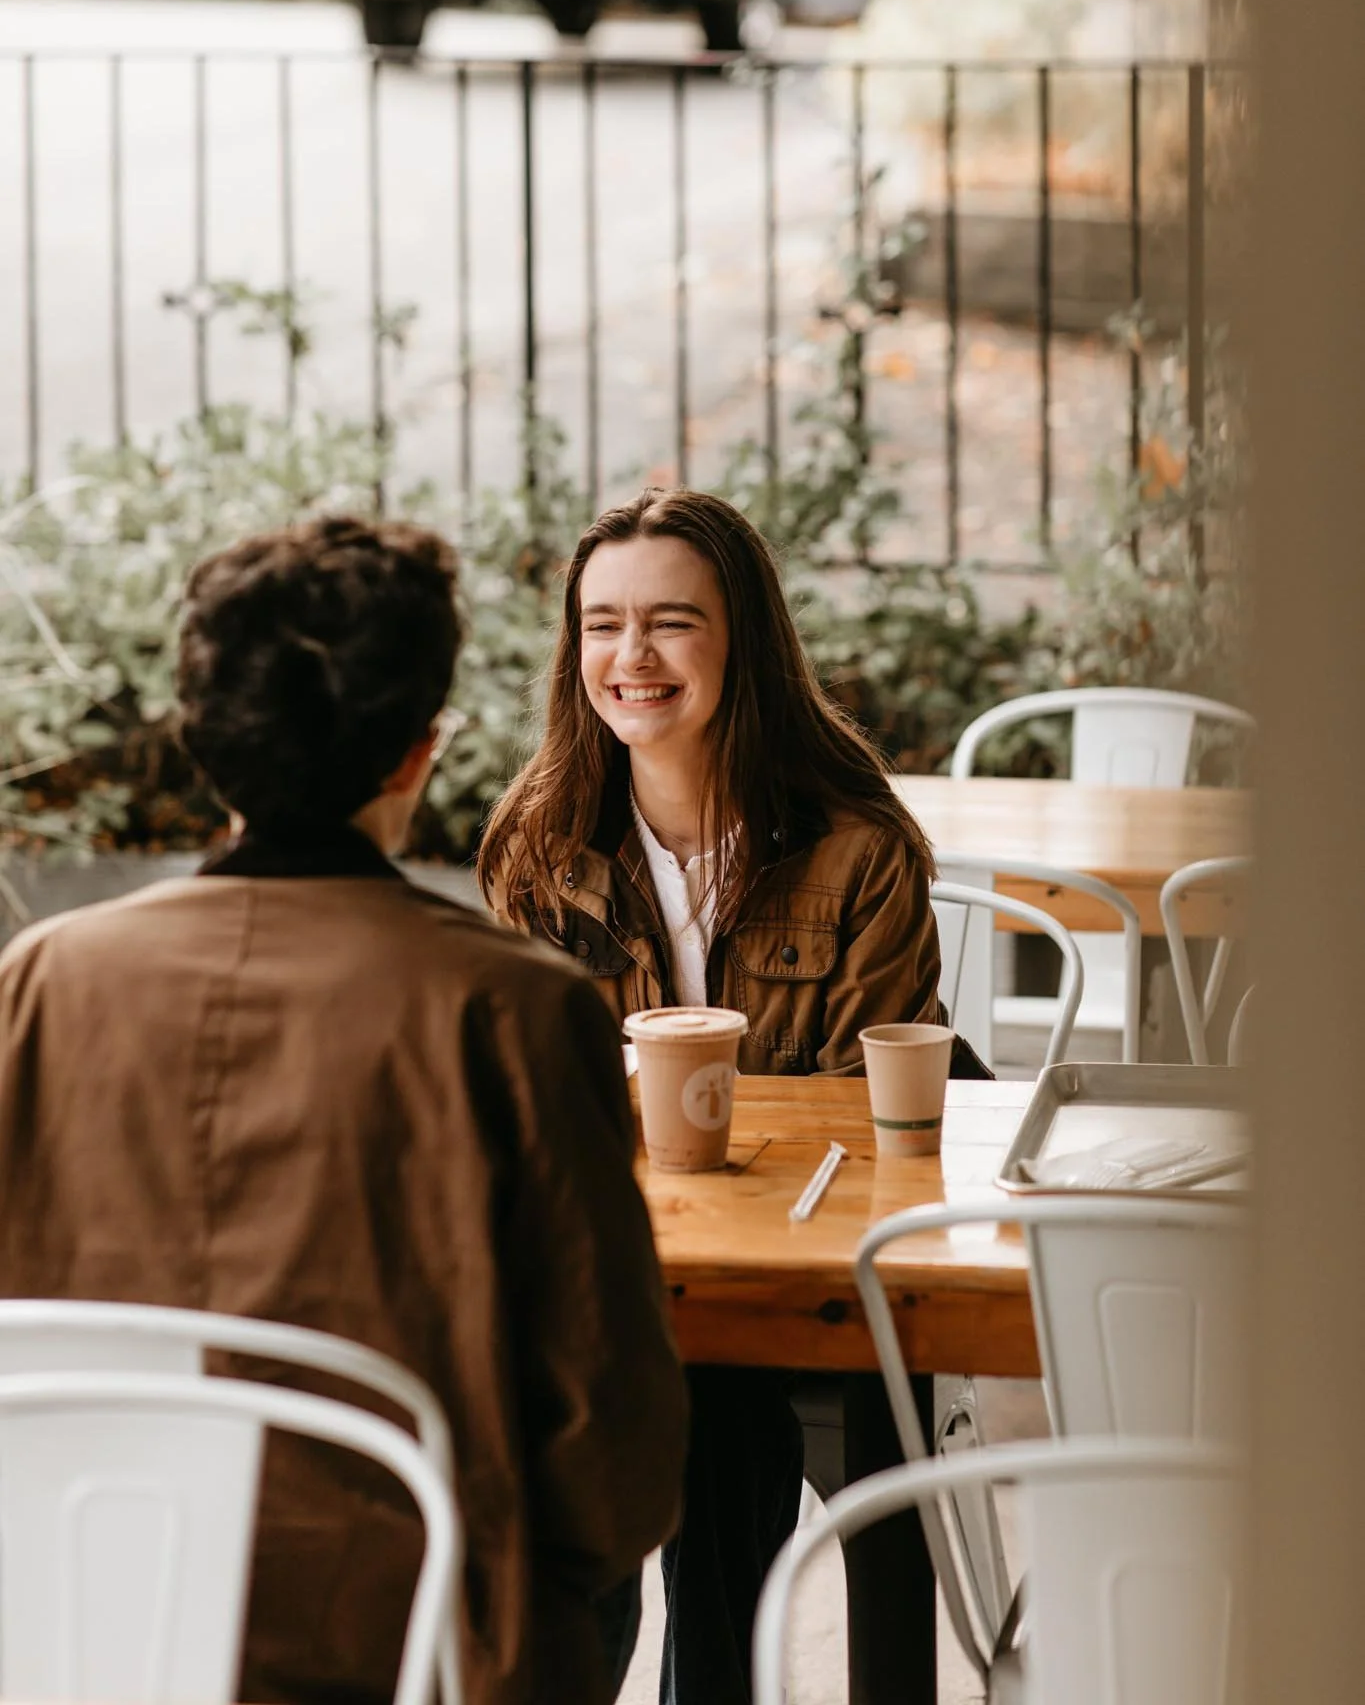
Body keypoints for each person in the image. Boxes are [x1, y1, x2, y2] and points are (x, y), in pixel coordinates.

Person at [0, 514, 687, 1705]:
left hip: (80, 1631)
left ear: (203, 743)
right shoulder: (515, 1010)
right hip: (413, 1650)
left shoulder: (41, 981)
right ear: (420, 750)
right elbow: (614, 1464)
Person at [479, 487, 977, 1705]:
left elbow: (874, 1123)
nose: (630, 657)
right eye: (601, 624)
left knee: (714, 1391)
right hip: (616, 1271)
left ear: (741, 639)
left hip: (804, 1279)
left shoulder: (858, 847)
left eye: (670, 623)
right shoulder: (540, 845)